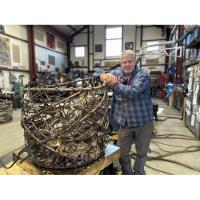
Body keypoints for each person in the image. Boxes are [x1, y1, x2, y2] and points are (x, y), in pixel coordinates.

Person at [94, 50, 153, 175]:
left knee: (141, 153)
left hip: (143, 122)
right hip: (125, 123)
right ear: (120, 63)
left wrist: (114, 83)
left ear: (134, 61)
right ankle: (127, 173)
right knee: (121, 152)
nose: (127, 65)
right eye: (124, 62)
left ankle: (138, 174)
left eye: (129, 62)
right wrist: (102, 76)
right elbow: (95, 73)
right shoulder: (117, 73)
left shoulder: (143, 75)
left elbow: (131, 92)